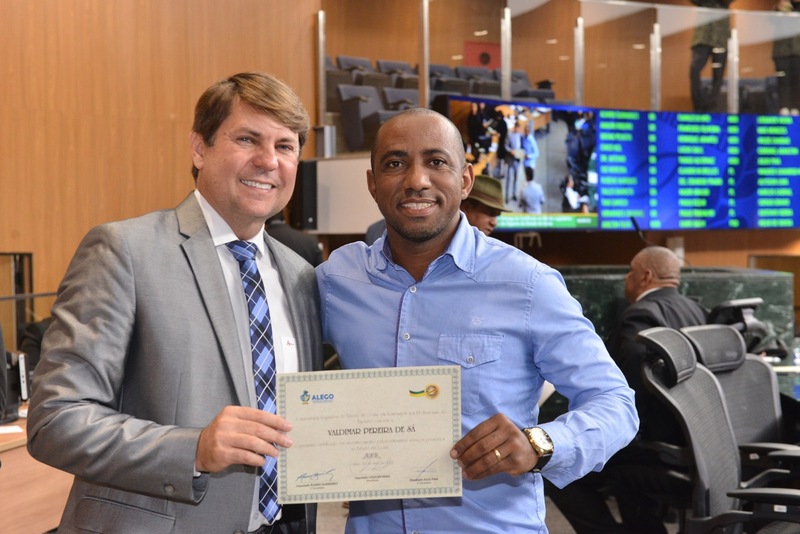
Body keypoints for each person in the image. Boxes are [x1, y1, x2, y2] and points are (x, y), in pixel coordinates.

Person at [26, 72, 323, 534]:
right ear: (199, 148)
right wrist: (193, 449)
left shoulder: (301, 275)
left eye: (285, 146)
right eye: (248, 139)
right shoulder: (125, 251)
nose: (268, 161)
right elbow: (55, 420)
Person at [316, 107, 638, 532]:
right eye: (395, 163)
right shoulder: (337, 281)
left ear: (465, 180)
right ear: (373, 183)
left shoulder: (527, 284)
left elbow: (615, 403)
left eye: (436, 162)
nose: (416, 180)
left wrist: (540, 443)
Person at [547, 246, 708, 534]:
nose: (626, 278)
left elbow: (628, 395)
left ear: (645, 276)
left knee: (556, 466)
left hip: (657, 452)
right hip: (698, 447)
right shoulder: (694, 309)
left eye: (630, 271)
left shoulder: (640, 316)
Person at [689, 0, 734, 112]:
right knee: (694, 69)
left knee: (718, 74)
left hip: (720, 36)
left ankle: (711, 104)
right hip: (702, 36)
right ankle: (699, 104)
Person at [772, 0, 800, 115]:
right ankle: (783, 106)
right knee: (783, 81)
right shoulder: (782, 6)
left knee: (797, 81)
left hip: (798, 52)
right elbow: (771, 20)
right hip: (781, 52)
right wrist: (780, 8)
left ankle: (796, 107)